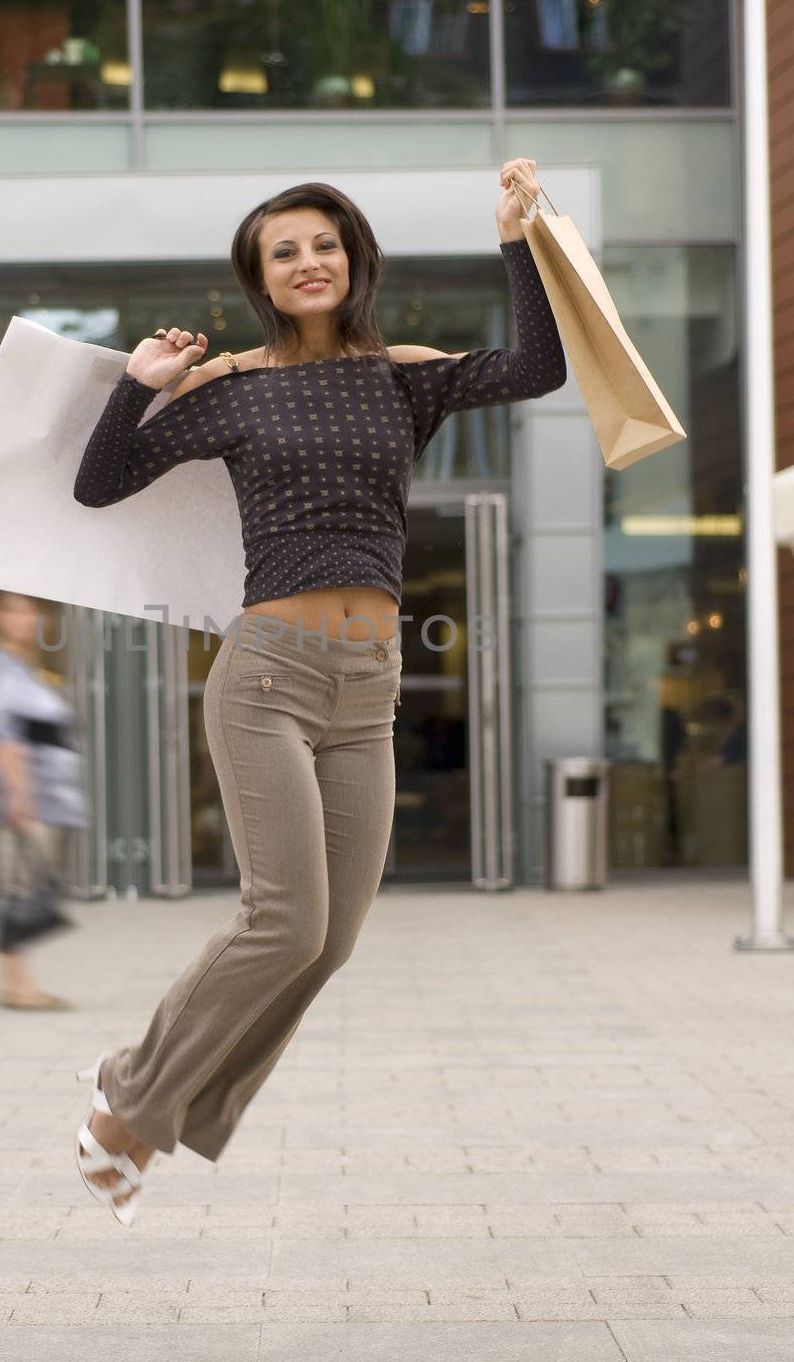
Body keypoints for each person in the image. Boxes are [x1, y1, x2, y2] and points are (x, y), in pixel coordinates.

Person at [70, 159, 566, 1223]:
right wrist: (138, 385)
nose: (308, 262)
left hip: (368, 685)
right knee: (285, 921)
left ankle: (159, 1108)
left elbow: (538, 367)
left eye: (323, 243)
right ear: (259, 277)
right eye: (283, 251)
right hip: (269, 677)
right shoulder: (234, 389)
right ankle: (129, 1101)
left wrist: (517, 239)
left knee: (331, 940)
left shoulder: (406, 376)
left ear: (354, 259)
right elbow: (99, 482)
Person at [0, 589, 86, 1010]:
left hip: (45, 797)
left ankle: (18, 983)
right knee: (15, 888)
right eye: (15, 610)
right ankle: (16, 987)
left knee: (20, 887)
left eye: (32, 610)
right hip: (24, 799)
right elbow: (3, 734)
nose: (27, 619)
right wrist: (19, 797)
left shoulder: (22, 666)